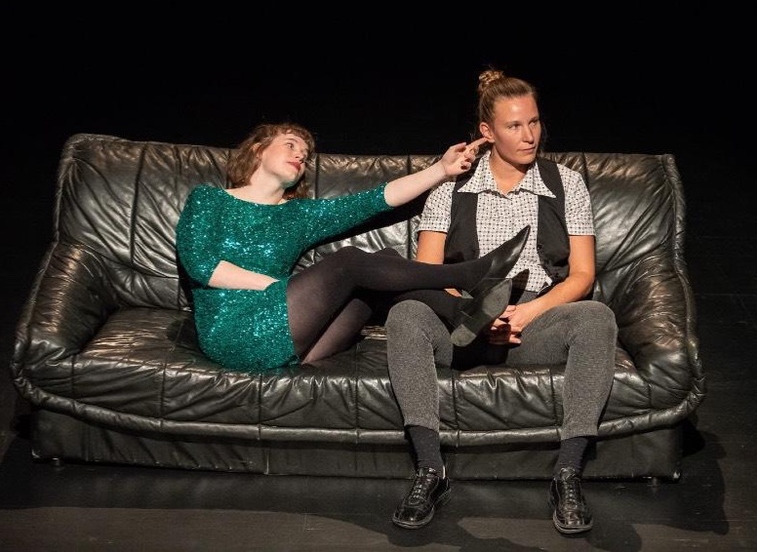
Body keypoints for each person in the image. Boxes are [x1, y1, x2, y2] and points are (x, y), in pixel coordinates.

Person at [384, 70, 618, 535]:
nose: (529, 135)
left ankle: (568, 474)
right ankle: (430, 471)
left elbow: (584, 275)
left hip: (534, 320)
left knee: (597, 318)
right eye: (514, 126)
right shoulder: (452, 188)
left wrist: (531, 311)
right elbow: (427, 274)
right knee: (405, 313)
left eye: (534, 123)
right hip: (464, 322)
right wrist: (474, 315)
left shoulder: (565, 183)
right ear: (487, 133)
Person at [175, 121, 530, 372]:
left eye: (305, 154)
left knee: (385, 264)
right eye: (290, 145)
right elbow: (202, 266)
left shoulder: (299, 214)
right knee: (347, 262)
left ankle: (461, 316)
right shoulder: (210, 200)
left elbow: (374, 200)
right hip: (235, 331)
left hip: (301, 344)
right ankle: (467, 275)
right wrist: (278, 289)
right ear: (257, 149)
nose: (301, 155)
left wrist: (441, 170)